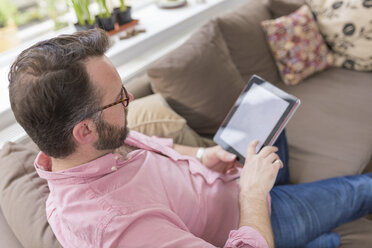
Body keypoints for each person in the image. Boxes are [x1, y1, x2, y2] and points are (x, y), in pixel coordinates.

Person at [8, 29, 372, 248]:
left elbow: (148, 146)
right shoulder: (119, 227)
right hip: (251, 215)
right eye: (120, 97)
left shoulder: (90, 145)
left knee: (271, 115)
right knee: (361, 190)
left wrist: (204, 155)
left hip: (227, 180)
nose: (130, 98)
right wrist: (254, 194)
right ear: (84, 130)